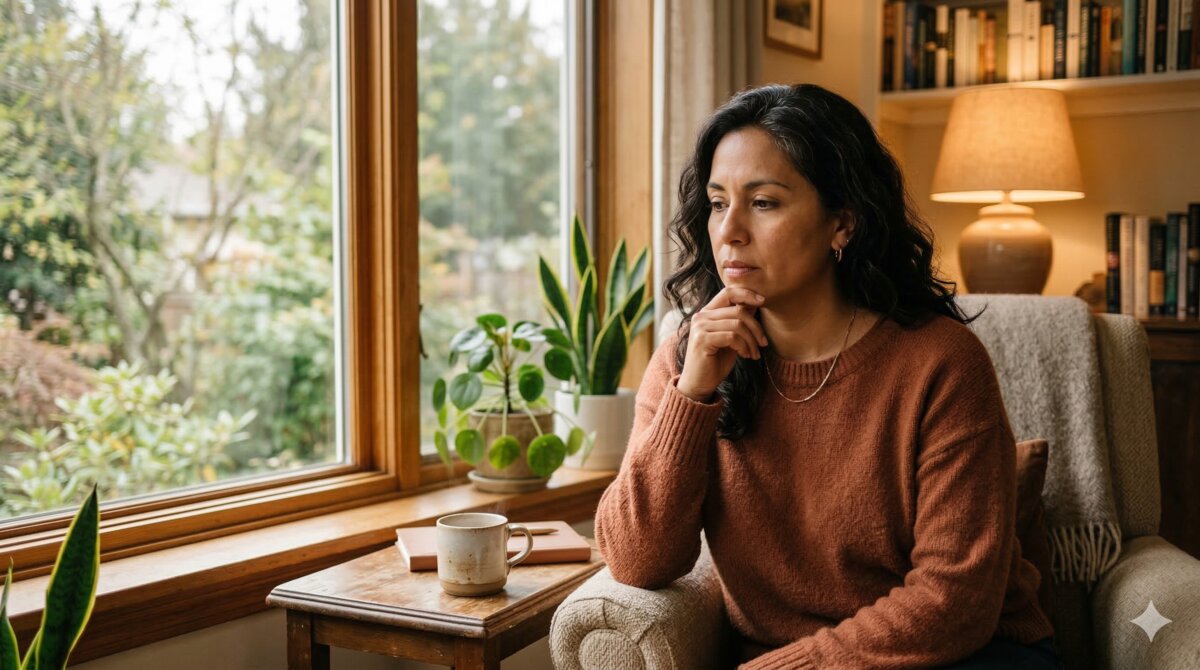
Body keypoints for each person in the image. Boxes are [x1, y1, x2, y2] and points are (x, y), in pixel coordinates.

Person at [592, 83, 1065, 669]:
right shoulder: (691, 359)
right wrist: (692, 394)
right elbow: (638, 561)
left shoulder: (941, 362)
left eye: (763, 202)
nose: (730, 230)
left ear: (843, 223)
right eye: (718, 203)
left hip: (961, 655)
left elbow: (956, 599)